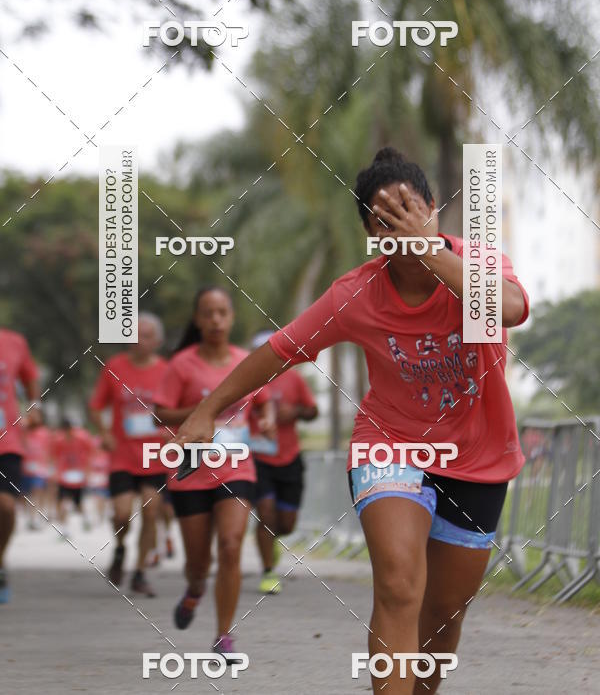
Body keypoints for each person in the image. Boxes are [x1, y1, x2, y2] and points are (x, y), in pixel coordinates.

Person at [172, 148, 530, 695]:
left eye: (410, 211)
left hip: (479, 457)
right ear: (370, 234)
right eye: (385, 221)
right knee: (399, 586)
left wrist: (429, 250)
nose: (400, 228)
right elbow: (278, 352)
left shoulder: (478, 263)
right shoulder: (357, 294)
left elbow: (509, 308)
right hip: (390, 446)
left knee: (444, 612)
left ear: (433, 208)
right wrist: (206, 411)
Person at [152, 286, 274, 660]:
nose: (216, 320)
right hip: (190, 468)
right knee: (198, 564)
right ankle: (194, 590)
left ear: (232, 317)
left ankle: (224, 635)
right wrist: (204, 410)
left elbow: (263, 402)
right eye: (208, 313)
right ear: (197, 319)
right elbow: (160, 413)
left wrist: (267, 419)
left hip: (236, 465)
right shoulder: (181, 364)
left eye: (222, 312)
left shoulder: (245, 360)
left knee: (231, 544)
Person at [89, 313, 168, 597]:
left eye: (146, 336)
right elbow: (96, 406)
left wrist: (172, 431)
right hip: (122, 454)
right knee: (122, 514)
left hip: (154, 454)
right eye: (134, 335)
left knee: (151, 510)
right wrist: (104, 432)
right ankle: (121, 547)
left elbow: (178, 407)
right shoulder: (114, 366)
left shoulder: (167, 371)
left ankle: (140, 572)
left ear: (157, 341)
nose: (139, 341)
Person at [248, 330, 318, 595]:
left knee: (286, 524)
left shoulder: (294, 378)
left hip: (289, 458)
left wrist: (296, 411)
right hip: (258, 458)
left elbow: (313, 411)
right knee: (266, 513)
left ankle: (270, 539)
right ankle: (268, 571)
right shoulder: (248, 380)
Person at [0, 327, 41, 602]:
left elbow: (30, 378)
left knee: (5, 506)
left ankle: (0, 560)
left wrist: (35, 407)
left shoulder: (14, 342)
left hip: (7, 440)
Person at [53, 419, 94, 531]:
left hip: (78, 477)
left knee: (78, 504)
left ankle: (86, 520)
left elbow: (90, 453)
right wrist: (56, 472)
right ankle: (64, 529)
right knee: (63, 502)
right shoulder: (59, 441)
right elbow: (55, 456)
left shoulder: (82, 438)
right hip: (64, 476)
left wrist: (87, 471)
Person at [21, 419, 53, 529]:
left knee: (37, 492)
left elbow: (49, 450)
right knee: (25, 495)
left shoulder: (44, 433)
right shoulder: (23, 431)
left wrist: (50, 466)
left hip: (40, 470)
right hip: (25, 469)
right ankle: (29, 516)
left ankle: (35, 518)